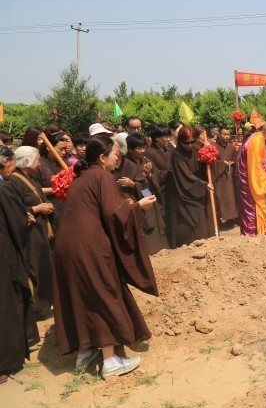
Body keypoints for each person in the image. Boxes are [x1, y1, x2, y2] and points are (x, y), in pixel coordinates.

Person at [52, 136, 158, 377]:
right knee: (103, 293)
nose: (117, 159)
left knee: (81, 296)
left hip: (66, 246)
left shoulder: (81, 177)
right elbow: (115, 214)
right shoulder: (102, 176)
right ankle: (110, 361)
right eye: (115, 155)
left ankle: (85, 351)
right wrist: (139, 206)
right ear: (102, 157)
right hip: (89, 247)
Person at [0, 146, 40, 384]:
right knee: (7, 305)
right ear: (6, 161)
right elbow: (16, 223)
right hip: (5, 254)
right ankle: (7, 361)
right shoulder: (4, 189)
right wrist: (26, 218)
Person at [8, 146, 56, 319]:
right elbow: (12, 208)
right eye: (37, 161)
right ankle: (37, 309)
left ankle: (46, 303)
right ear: (27, 162)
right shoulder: (13, 181)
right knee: (34, 268)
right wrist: (36, 208)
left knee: (44, 265)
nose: (39, 165)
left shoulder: (31, 177)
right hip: (28, 232)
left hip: (41, 229)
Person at [167, 127, 213, 246]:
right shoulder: (177, 155)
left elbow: (200, 165)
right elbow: (186, 175)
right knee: (189, 221)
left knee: (202, 217)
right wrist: (203, 184)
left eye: (193, 142)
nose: (190, 145)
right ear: (179, 142)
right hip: (186, 191)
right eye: (187, 143)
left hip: (197, 188)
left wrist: (207, 154)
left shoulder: (193, 150)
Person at [126, 134, 169, 254]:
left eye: (143, 147)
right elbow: (126, 183)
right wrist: (143, 175)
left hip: (148, 193)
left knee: (155, 218)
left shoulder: (147, 161)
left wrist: (149, 175)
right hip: (136, 197)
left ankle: (160, 248)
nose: (142, 151)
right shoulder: (126, 163)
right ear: (130, 149)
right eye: (138, 148)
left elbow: (157, 178)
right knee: (145, 221)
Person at [235, 121, 266, 236]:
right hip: (248, 181)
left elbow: (261, 164)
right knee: (251, 209)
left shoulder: (259, 137)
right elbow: (256, 168)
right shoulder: (257, 142)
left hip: (251, 177)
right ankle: (252, 235)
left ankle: (259, 232)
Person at [145, 124, 174, 246]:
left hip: (171, 187)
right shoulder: (150, 152)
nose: (168, 139)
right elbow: (152, 173)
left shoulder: (169, 150)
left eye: (169, 136)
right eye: (165, 137)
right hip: (159, 188)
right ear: (156, 138)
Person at [212, 126, 238, 224]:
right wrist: (222, 163)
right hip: (219, 176)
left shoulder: (231, 147)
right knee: (219, 197)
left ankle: (231, 219)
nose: (227, 136)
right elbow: (212, 161)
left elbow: (235, 159)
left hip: (229, 176)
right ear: (219, 135)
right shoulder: (214, 146)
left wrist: (232, 162)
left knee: (230, 197)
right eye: (224, 134)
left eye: (228, 134)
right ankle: (219, 219)